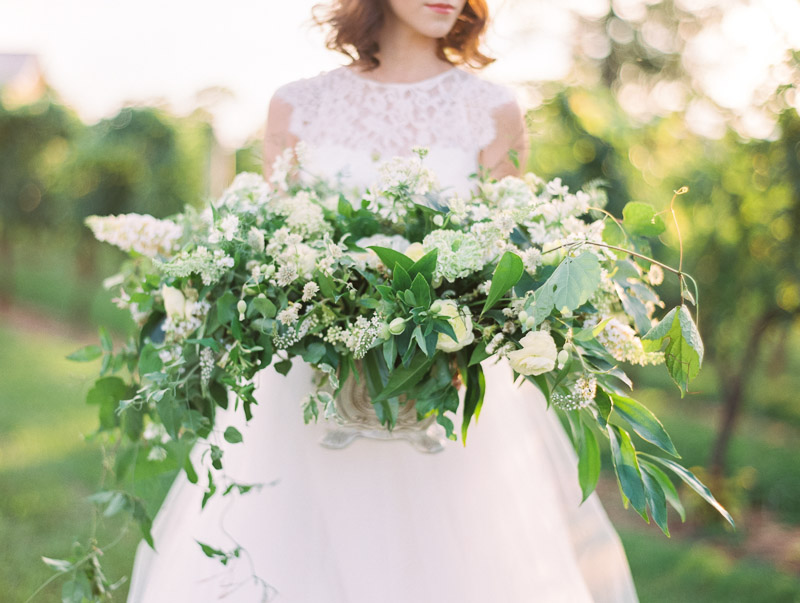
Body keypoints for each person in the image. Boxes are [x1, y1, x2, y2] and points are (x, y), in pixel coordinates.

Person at [127, 1, 640, 601]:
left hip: (444, 399)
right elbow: (268, 254)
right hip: (309, 402)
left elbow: (512, 260)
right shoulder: (296, 106)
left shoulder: (492, 111)